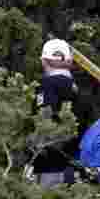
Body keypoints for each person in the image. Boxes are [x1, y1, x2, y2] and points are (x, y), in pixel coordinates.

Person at [31, 38, 80, 187]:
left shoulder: (46, 86)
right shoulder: (77, 89)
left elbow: (44, 122)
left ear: (45, 61)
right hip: (73, 166)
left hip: (48, 166)